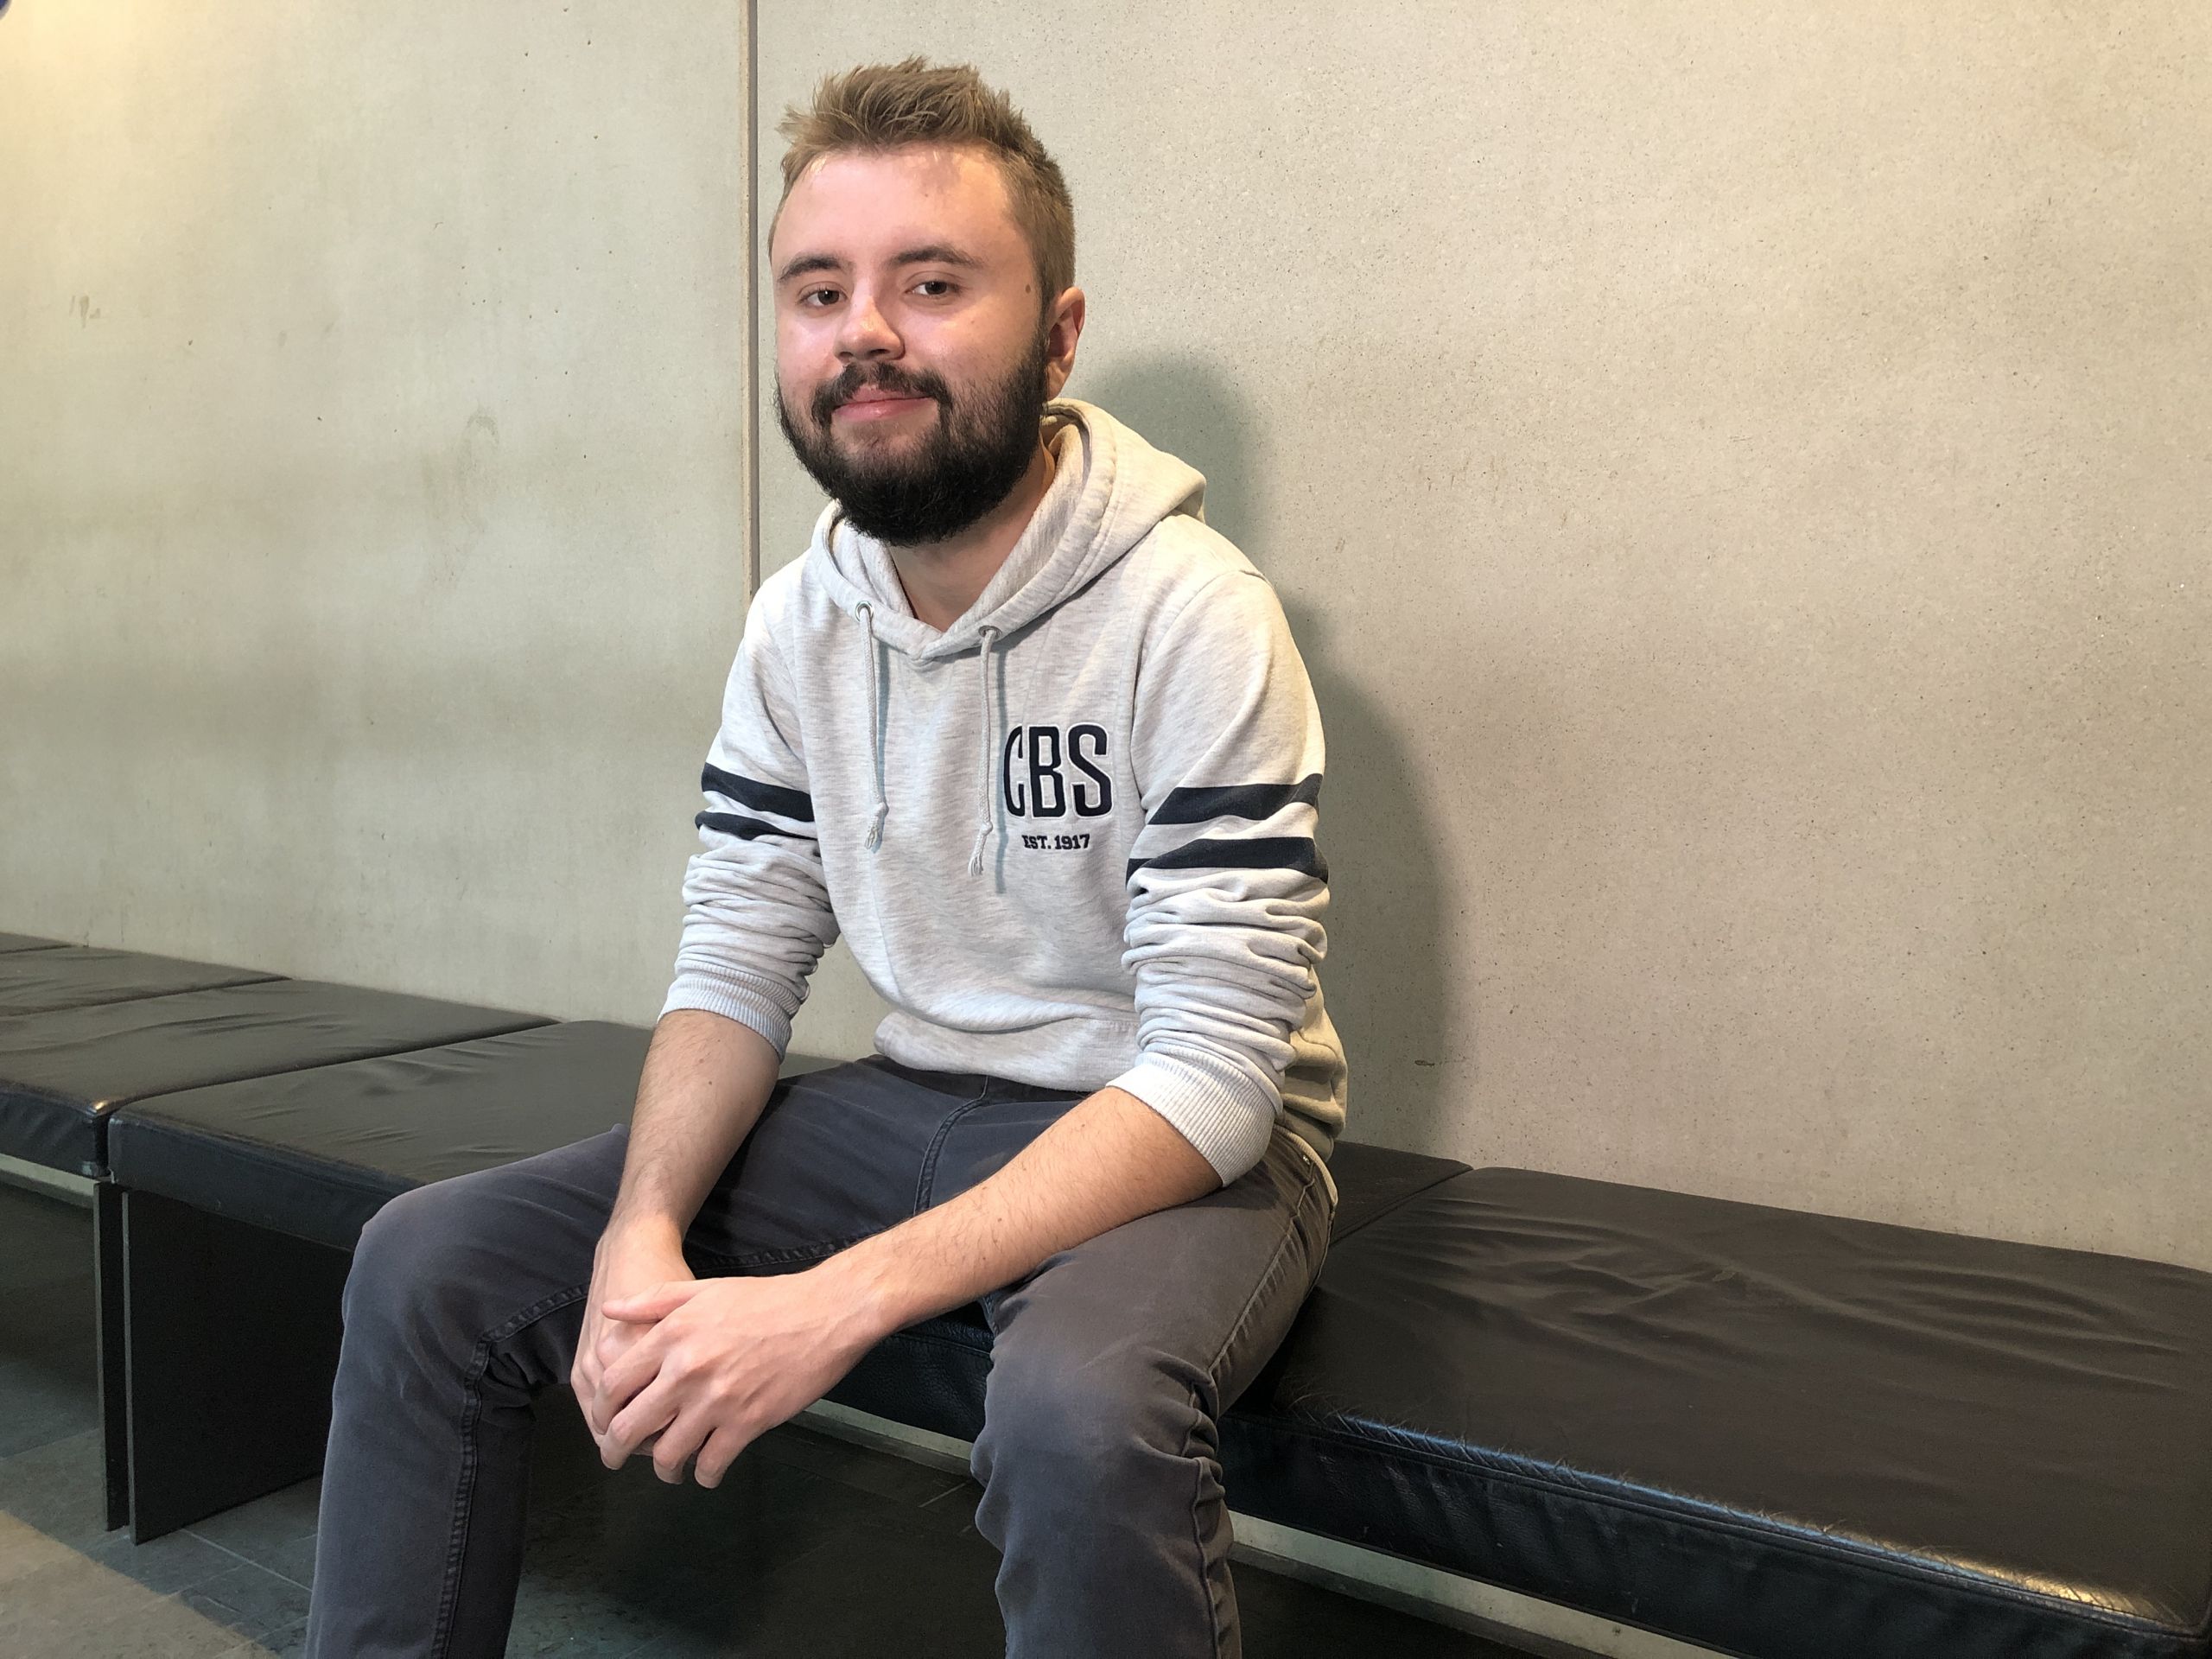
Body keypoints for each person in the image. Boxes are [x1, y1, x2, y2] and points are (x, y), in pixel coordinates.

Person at [304, 57, 1346, 1659]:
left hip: (1178, 1135)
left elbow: (1216, 1072)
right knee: (430, 1262)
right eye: (819, 289)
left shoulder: (1194, 613)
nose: (866, 328)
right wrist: (643, 1230)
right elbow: (737, 957)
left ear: (1058, 335)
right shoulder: (798, 624)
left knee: (1076, 1413)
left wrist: (840, 1300)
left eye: (932, 282)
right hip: (915, 1100)